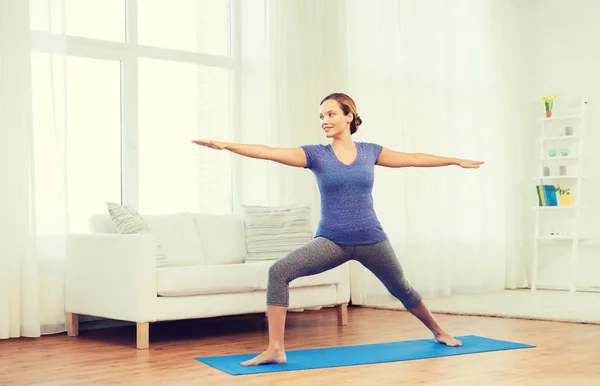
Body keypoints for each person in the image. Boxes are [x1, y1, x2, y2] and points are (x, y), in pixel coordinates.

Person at [192, 92, 484, 367]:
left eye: (331, 114)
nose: (325, 121)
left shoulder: (370, 152)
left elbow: (415, 158)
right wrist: (227, 145)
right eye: (321, 116)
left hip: (372, 239)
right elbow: (269, 152)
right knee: (278, 271)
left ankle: (439, 331)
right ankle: (275, 349)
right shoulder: (316, 155)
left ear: (349, 116)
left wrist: (455, 161)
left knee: (402, 289)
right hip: (332, 240)